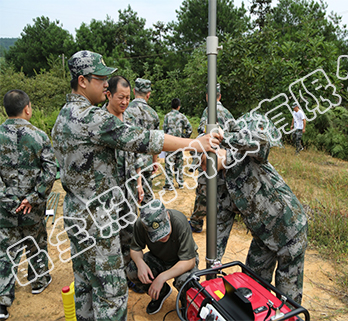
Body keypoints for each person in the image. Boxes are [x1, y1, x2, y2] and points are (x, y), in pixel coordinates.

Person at [51, 50, 221, 321]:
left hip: (75, 214)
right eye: (100, 79)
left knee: (84, 284)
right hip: (99, 219)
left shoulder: (63, 116)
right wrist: (195, 143)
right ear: (82, 81)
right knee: (111, 292)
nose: (106, 85)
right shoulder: (90, 118)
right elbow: (143, 139)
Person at [203, 112, 308, 305]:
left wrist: (224, 136)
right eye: (204, 164)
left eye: (210, 159)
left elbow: (262, 141)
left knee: (287, 298)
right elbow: (220, 227)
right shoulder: (220, 186)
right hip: (263, 236)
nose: (207, 166)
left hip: (289, 229)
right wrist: (211, 268)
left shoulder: (246, 155)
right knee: (251, 286)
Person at [0, 90, 57, 320]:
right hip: (32, 207)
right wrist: (32, 198)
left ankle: (3, 300)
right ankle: (38, 281)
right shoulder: (39, 136)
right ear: (27, 108)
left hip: (5, 208)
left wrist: (7, 199)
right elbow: (51, 171)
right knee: (36, 242)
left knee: (5, 250)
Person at [125, 199, 198, 315]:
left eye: (165, 231)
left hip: (181, 260)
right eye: (156, 234)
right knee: (132, 271)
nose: (162, 237)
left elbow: (189, 261)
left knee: (188, 282)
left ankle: (186, 302)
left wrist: (162, 277)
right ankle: (161, 293)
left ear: (168, 215)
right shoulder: (141, 223)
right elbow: (135, 248)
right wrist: (140, 263)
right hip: (158, 257)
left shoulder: (179, 221)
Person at [188, 84, 237, 254]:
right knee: (220, 192)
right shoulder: (229, 114)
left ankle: (196, 222)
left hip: (210, 158)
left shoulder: (209, 110)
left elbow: (204, 133)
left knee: (203, 189)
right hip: (225, 160)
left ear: (208, 96)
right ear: (220, 96)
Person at [102, 75, 145, 269]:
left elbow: (136, 154)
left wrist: (139, 184)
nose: (125, 102)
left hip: (128, 190)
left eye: (128, 97)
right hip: (107, 194)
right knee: (109, 235)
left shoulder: (130, 120)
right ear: (108, 95)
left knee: (130, 232)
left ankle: (130, 272)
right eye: (121, 97)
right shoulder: (99, 122)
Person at [127, 79, 160, 204]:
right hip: (146, 163)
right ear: (148, 94)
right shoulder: (153, 114)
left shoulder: (125, 110)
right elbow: (155, 142)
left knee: (129, 202)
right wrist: (155, 161)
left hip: (129, 164)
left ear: (134, 91)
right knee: (147, 202)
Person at [162, 98, 193, 190]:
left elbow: (164, 130)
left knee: (169, 163)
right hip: (179, 143)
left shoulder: (167, 116)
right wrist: (184, 137)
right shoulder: (182, 116)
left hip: (170, 143)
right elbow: (190, 128)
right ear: (179, 107)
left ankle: (169, 184)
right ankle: (180, 183)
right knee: (179, 163)